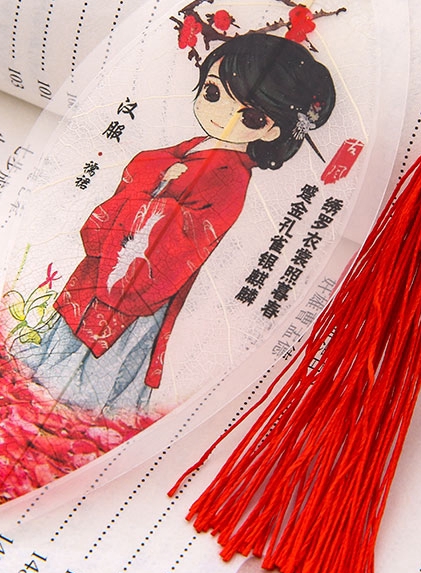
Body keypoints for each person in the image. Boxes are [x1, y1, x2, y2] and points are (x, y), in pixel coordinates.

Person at [20, 32, 336, 419]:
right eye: (214, 93)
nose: (222, 115)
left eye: (250, 117)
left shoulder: (231, 177)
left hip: (147, 275)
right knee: (77, 324)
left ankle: (79, 402)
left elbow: (188, 237)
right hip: (120, 255)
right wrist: (155, 181)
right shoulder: (195, 147)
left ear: (271, 131)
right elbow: (145, 167)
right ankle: (53, 374)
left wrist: (155, 202)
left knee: (110, 351)